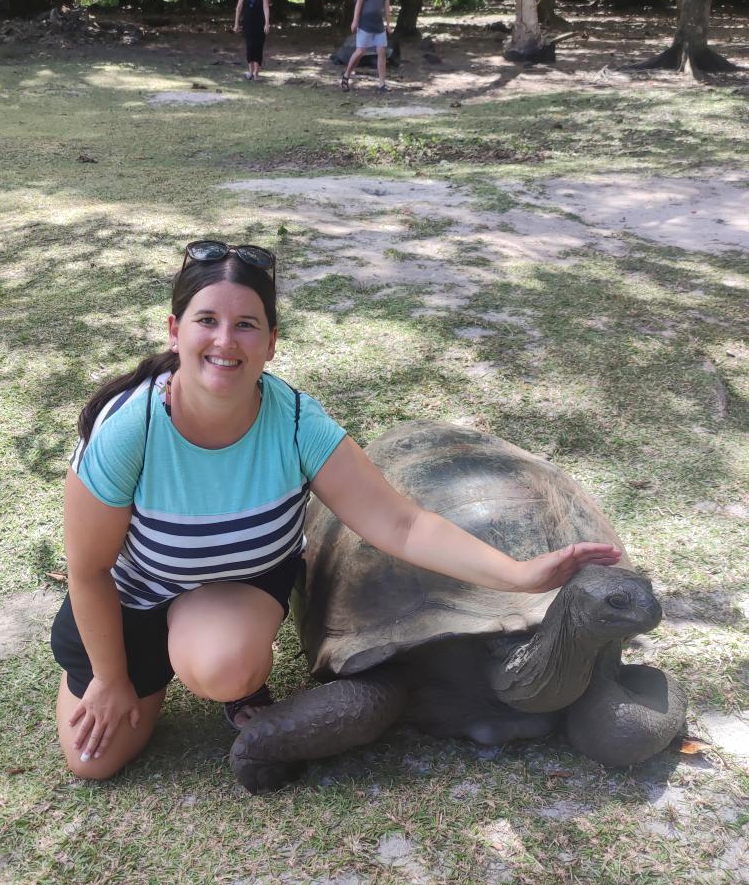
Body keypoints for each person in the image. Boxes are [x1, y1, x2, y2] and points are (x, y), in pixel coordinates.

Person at [51, 239, 622, 781]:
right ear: (176, 332)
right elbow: (88, 568)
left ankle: (238, 684)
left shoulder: (296, 421)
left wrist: (520, 575)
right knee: (92, 762)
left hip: (230, 594)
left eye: (245, 324)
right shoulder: (131, 428)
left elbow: (401, 523)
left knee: (225, 665)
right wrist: (109, 677)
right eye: (207, 321)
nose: (225, 341)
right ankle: (141, 663)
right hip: (133, 596)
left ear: (271, 342)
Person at [341, 0, 393, 93]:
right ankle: (346, 76)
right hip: (365, 23)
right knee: (360, 51)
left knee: (382, 52)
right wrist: (355, 20)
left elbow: (387, 4)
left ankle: (382, 85)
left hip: (378, 25)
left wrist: (389, 24)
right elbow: (359, 1)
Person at [233, 0, 270, 81]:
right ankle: (250, 71)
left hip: (260, 24)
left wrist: (267, 23)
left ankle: (256, 72)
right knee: (250, 46)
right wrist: (236, 23)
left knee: (258, 46)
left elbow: (266, 8)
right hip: (247, 23)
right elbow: (239, 8)